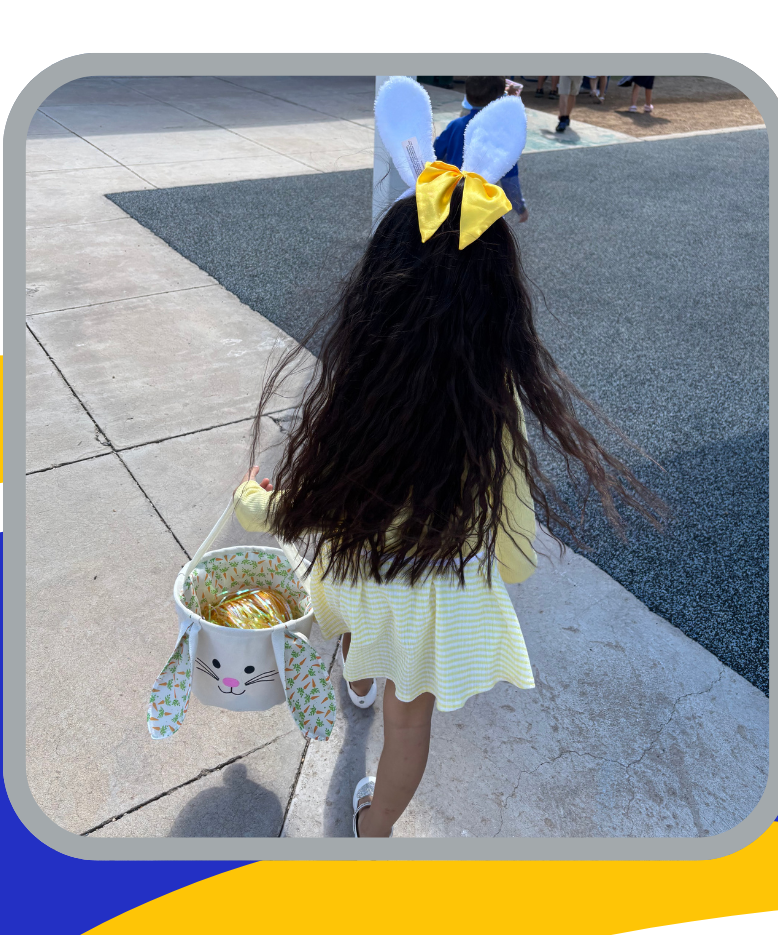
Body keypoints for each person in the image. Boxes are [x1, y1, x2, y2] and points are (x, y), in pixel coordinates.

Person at [236, 118, 658, 836]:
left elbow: (297, 510)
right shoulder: (491, 402)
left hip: (361, 569)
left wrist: (253, 502)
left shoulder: (359, 385)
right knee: (409, 725)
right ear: (499, 303)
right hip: (435, 589)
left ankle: (357, 678)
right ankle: (374, 829)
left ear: (377, 286)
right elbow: (513, 514)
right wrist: (510, 568)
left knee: (355, 622)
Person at [436, 76, 529, 224]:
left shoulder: (456, 125)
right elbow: (510, 180)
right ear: (499, 98)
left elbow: (435, 155)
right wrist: (520, 207)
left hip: (451, 199)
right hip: (483, 206)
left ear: (467, 96)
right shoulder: (501, 135)